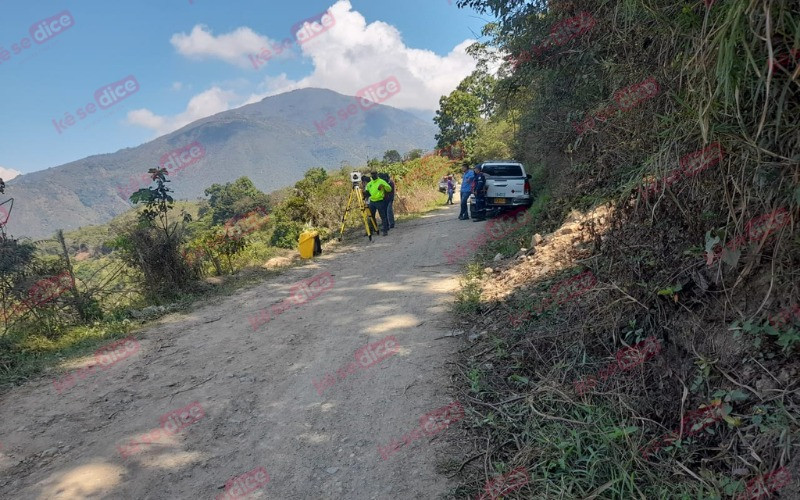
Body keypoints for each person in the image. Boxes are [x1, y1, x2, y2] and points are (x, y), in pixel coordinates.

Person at [366, 171, 392, 236]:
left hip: (380, 201)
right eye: (372, 174)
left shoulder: (381, 181)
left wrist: (383, 186)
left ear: (377, 174)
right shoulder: (369, 184)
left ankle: (385, 230)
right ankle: (374, 229)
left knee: (383, 216)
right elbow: (367, 192)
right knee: (371, 216)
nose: (373, 175)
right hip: (372, 201)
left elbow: (389, 189)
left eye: (374, 174)